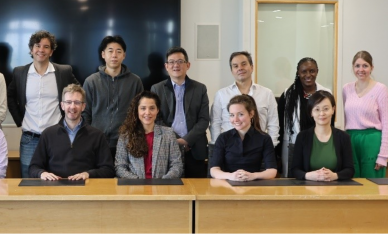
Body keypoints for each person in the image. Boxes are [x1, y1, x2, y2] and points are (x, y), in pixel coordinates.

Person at [7, 30, 78, 178]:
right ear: (31, 49)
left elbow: (79, 94)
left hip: (57, 136)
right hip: (29, 138)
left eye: (46, 47)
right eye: (37, 46)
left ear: (51, 51)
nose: (41, 50)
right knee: (28, 178)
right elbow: (10, 96)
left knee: (57, 177)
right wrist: (19, 119)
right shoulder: (20, 73)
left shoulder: (63, 72)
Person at [29, 84, 115, 180]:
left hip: (86, 189)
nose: (72, 106)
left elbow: (108, 170)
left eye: (77, 102)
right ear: (62, 105)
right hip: (55, 188)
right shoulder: (48, 134)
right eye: (68, 102)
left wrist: (88, 174)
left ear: (83, 106)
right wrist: (42, 173)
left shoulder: (97, 136)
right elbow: (34, 167)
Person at [151, 46, 210, 178]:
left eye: (180, 61)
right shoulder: (157, 89)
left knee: (196, 190)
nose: (175, 65)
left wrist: (186, 140)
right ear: (166, 66)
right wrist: (176, 139)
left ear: (188, 65)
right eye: (171, 62)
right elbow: (157, 119)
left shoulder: (200, 88)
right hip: (168, 147)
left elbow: (204, 119)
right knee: (169, 191)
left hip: (195, 148)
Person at [82, 35, 144, 158]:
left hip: (126, 143)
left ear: (124, 55)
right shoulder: (91, 81)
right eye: (110, 51)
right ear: (103, 54)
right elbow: (85, 113)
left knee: (125, 177)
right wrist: (88, 136)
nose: (114, 55)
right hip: (97, 142)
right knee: (99, 176)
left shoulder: (135, 81)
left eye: (118, 51)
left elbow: (140, 111)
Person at [210, 51, 279, 147]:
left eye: (244, 64)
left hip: (259, 147)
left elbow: (273, 123)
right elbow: (215, 123)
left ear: (251, 67)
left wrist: (270, 145)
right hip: (229, 148)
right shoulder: (221, 94)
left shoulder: (267, 94)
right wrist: (218, 146)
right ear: (232, 71)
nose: (240, 68)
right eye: (235, 66)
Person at [277, 57, 332, 177]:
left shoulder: (325, 93)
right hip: (293, 144)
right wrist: (277, 154)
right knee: (293, 180)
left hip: (319, 144)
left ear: (317, 71)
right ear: (298, 72)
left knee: (319, 178)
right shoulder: (288, 94)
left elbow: (330, 123)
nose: (308, 75)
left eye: (312, 71)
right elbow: (280, 125)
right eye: (304, 71)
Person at [115, 91, 183, 179]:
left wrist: (163, 181)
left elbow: (177, 165)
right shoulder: (126, 135)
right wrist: (137, 181)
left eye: (152, 108)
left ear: (157, 110)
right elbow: (120, 167)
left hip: (162, 188)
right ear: (137, 110)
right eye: (143, 108)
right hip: (135, 188)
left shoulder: (168, 134)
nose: (147, 112)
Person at [210, 95, 277, 181]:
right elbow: (214, 170)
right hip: (227, 184)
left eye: (240, 114)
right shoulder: (223, 138)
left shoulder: (264, 138)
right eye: (232, 115)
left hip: (254, 185)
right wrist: (231, 176)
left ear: (251, 114)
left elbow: (272, 171)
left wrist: (252, 176)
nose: (235, 119)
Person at [343, 51, 388, 178]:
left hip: (372, 140)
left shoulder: (381, 89)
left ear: (371, 68)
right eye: (357, 66)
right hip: (350, 139)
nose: (361, 69)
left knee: (372, 184)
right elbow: (346, 119)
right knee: (352, 181)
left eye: (365, 65)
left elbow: (386, 123)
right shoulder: (346, 89)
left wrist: (383, 155)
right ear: (353, 67)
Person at [292, 91, 354, 181]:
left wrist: (334, 176)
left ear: (333, 110)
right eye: (317, 109)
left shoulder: (343, 137)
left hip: (336, 188)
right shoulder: (302, 137)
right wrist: (309, 176)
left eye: (326, 109)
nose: (322, 113)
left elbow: (350, 170)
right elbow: (294, 170)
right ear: (311, 113)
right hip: (307, 188)